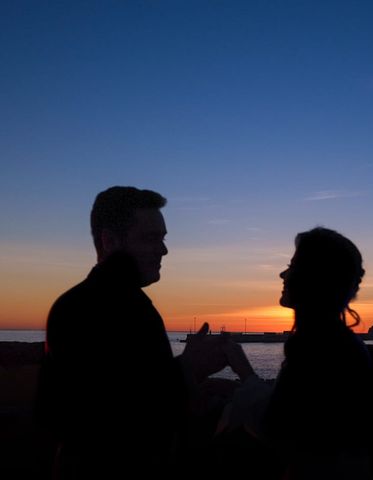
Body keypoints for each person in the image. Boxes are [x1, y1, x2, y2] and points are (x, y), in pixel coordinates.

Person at [36, 186, 232, 480]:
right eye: (151, 238)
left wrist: (188, 376)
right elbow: (109, 416)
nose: (163, 250)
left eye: (163, 239)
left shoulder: (95, 303)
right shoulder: (100, 308)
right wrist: (188, 369)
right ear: (110, 240)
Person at [220, 227, 373, 480]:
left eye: (292, 266)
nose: (283, 274)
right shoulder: (340, 342)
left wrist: (243, 371)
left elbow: (277, 426)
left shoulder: (317, 345)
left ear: (312, 279)